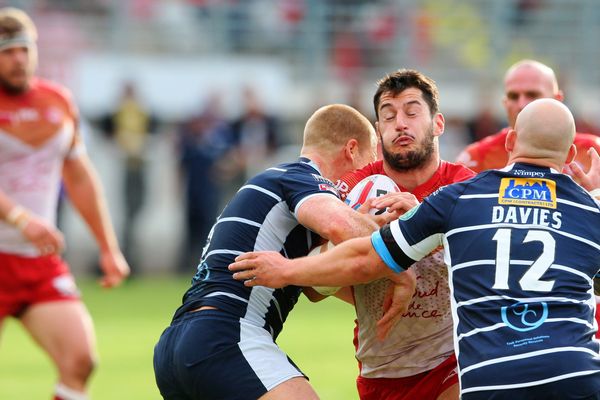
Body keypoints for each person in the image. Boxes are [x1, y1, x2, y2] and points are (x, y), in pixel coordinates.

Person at [230, 98, 600, 400]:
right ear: (569, 153)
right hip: (576, 374)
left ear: (509, 142)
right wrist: (589, 196)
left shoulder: (460, 198)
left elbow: (365, 259)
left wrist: (286, 270)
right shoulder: (589, 210)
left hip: (491, 380)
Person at [153, 104, 388, 400]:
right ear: (351, 150)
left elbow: (316, 287)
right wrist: (395, 233)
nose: (368, 174)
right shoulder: (300, 177)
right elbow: (344, 227)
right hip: (226, 336)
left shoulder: (278, 191)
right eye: (369, 162)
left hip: (178, 344)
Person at [0, 8, 130, 400]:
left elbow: (78, 175)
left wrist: (108, 248)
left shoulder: (58, 102)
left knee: (80, 360)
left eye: (24, 49)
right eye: (6, 51)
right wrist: (21, 218)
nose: (18, 59)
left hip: (37, 259)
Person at [332, 69, 475, 400]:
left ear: (438, 124)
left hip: (451, 360)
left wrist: (420, 218)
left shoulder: (465, 186)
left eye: (412, 112)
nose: (400, 123)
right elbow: (316, 287)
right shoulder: (354, 188)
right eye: (388, 116)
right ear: (379, 130)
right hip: (381, 365)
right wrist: (368, 265)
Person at [456, 59, 600, 173]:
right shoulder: (477, 158)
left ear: (557, 100)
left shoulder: (594, 152)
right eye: (513, 96)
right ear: (505, 102)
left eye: (532, 95)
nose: (521, 104)